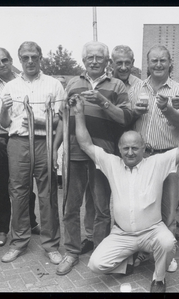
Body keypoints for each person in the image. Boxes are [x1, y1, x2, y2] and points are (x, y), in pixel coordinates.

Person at [71, 93, 179, 293]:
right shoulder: (111, 163)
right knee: (96, 264)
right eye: (125, 148)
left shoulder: (157, 163)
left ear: (143, 148)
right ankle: (133, 259)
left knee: (167, 241)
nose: (130, 152)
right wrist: (78, 113)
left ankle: (159, 279)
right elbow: (86, 144)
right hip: (122, 234)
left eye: (135, 148)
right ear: (119, 149)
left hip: (152, 231)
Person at [53, 41, 132, 276]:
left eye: (100, 57)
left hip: (103, 155)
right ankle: (72, 252)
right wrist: (55, 149)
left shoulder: (117, 85)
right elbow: (62, 118)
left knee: (101, 208)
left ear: (107, 61)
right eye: (90, 57)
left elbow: (124, 119)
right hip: (75, 153)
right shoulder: (73, 84)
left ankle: (100, 251)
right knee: (71, 205)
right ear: (84, 60)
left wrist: (103, 102)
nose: (95, 61)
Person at [0, 41, 64, 264]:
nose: (29, 61)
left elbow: (61, 119)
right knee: (18, 192)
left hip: (44, 142)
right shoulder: (10, 87)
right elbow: (4, 123)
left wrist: (39, 122)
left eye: (34, 57)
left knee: (48, 193)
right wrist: (5, 109)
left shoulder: (54, 84)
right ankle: (18, 242)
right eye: (25, 57)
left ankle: (51, 245)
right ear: (19, 59)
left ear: (40, 57)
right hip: (18, 142)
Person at [128, 44, 179, 272]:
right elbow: (129, 119)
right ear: (148, 63)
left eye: (163, 60)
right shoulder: (136, 89)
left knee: (169, 210)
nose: (159, 64)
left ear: (170, 63)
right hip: (143, 158)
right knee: (144, 208)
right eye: (154, 60)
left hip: (168, 156)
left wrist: (167, 110)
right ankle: (144, 251)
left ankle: (168, 254)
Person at [0, 47, 40, 247]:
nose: (1, 65)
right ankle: (1, 229)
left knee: (26, 185)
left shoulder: (23, 80)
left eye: (4, 60)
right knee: (3, 186)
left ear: (11, 60)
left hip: (23, 139)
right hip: (1, 140)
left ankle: (30, 222)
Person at [54, 75, 67, 189]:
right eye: (59, 82)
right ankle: (58, 179)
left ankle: (64, 179)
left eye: (63, 82)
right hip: (54, 131)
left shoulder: (66, 95)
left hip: (64, 130)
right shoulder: (54, 95)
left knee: (63, 154)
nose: (61, 84)